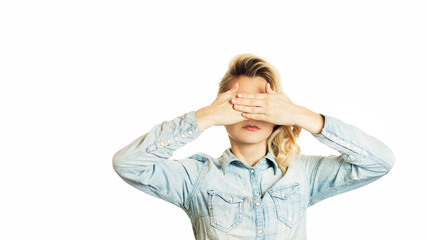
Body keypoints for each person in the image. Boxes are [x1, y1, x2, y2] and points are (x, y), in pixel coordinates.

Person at [112, 53, 395, 239]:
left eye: (262, 105)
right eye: (241, 104)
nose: (251, 114)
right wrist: (205, 117)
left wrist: (301, 116)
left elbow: (380, 161)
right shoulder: (196, 177)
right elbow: (128, 163)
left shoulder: (302, 173)